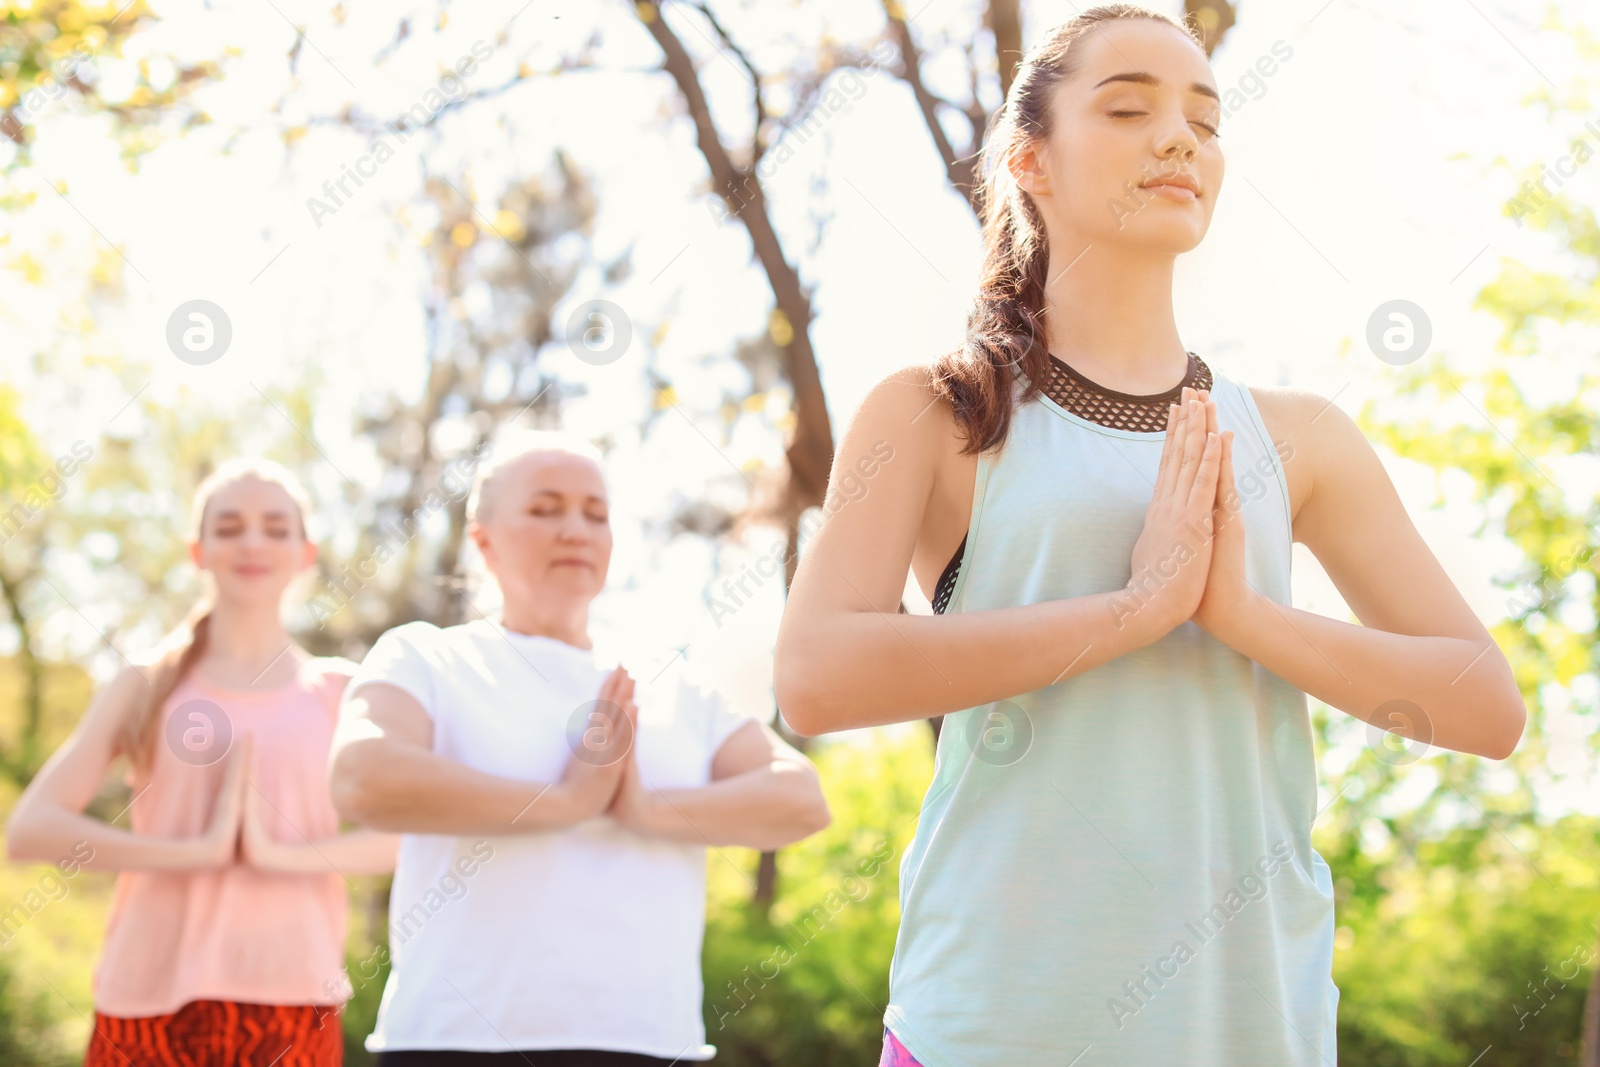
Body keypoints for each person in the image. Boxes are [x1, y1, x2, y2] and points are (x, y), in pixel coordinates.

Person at [772, 6, 1529, 1066]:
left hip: (1249, 1027)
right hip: (992, 1022)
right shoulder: (936, 413)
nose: (1179, 138)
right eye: (1128, 107)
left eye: (1204, 120)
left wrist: (1243, 617)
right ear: (1028, 159)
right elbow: (816, 674)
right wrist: (1128, 615)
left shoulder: (1302, 439)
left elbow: (1485, 705)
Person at [328, 429, 831, 1065]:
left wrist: (646, 810)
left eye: (595, 514)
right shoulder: (426, 657)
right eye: (545, 509)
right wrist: (564, 801)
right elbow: (362, 778)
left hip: (649, 1045)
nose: (575, 530)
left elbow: (801, 800)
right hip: (454, 1043)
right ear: (483, 539)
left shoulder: (671, 681)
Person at [6, 456, 401, 1067]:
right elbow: (31, 831)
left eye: (275, 527)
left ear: (305, 552)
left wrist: (285, 856)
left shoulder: (340, 691)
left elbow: (408, 838)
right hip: (147, 1003)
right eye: (229, 526)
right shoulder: (145, 683)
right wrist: (193, 854)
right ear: (198, 550)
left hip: (294, 1002)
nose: (251, 542)